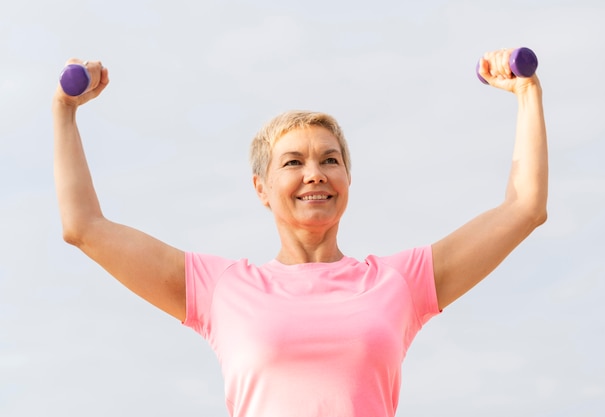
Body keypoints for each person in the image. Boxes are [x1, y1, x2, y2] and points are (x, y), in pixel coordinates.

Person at [52, 48, 547, 417]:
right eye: (294, 162)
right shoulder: (219, 289)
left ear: (348, 180)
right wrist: (64, 111)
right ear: (262, 188)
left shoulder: (401, 282)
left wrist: (527, 93)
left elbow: (524, 208)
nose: (315, 173)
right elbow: (85, 228)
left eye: (330, 160)